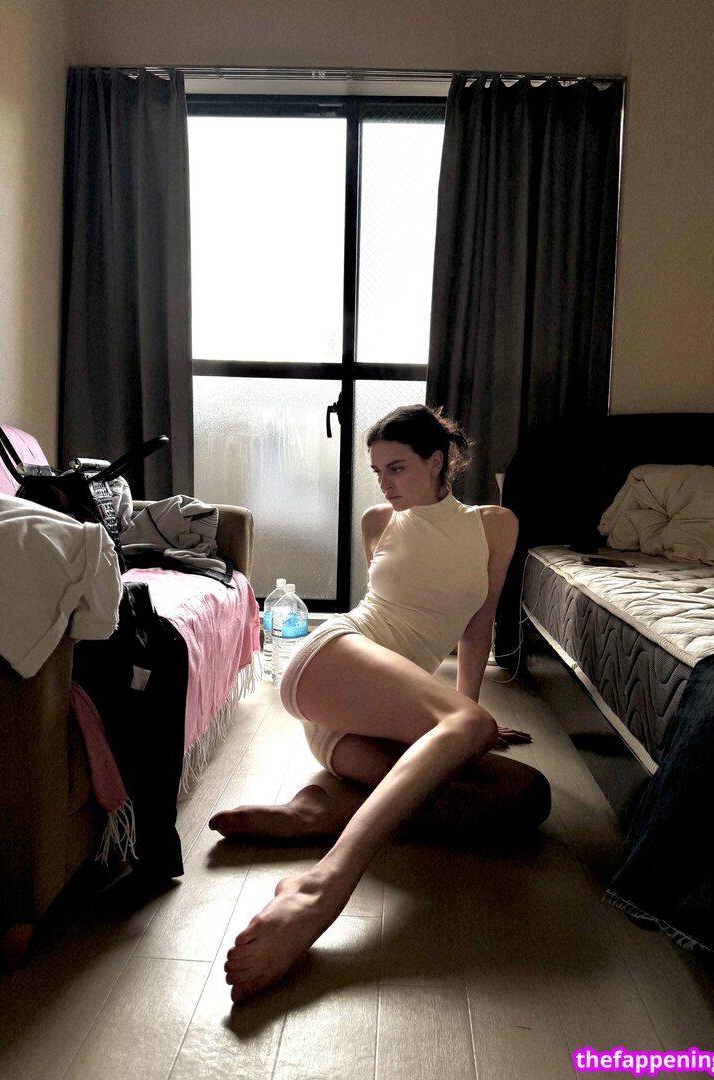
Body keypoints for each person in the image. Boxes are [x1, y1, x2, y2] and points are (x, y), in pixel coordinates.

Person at [209, 404, 551, 1003]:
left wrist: (460, 726)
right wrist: (463, 723)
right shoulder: (379, 522)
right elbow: (386, 619)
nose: (384, 484)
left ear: (437, 461)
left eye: (397, 468)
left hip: (358, 730)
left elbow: (478, 627)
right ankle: (320, 888)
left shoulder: (495, 525)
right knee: (469, 729)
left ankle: (322, 813)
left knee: (526, 795)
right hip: (333, 660)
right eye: (377, 471)